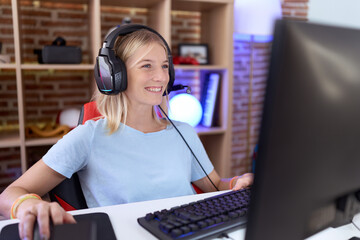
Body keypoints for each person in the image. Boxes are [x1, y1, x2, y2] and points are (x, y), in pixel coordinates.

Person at [0, 25, 253, 240]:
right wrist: (28, 205)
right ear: (114, 75)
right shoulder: (88, 137)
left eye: (165, 66)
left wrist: (237, 183)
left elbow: (215, 187)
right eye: (146, 66)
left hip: (191, 233)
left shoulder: (184, 132)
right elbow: (10, 194)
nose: (161, 77)